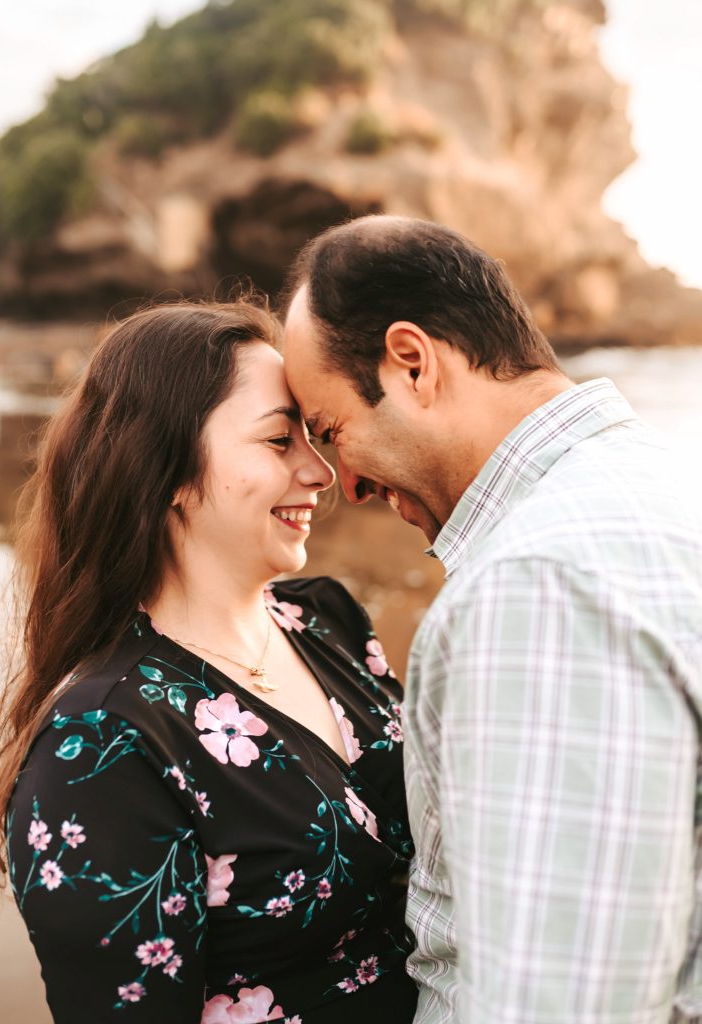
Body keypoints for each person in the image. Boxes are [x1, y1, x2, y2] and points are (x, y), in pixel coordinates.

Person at [282, 215, 702, 1024]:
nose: (349, 487)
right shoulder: (658, 485)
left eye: (333, 431)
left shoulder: (535, 590)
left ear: (412, 363)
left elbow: (564, 1004)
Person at [0, 301, 417, 1023]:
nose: (320, 469)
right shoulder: (100, 747)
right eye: (280, 440)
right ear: (170, 470)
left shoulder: (326, 618)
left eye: (311, 435)